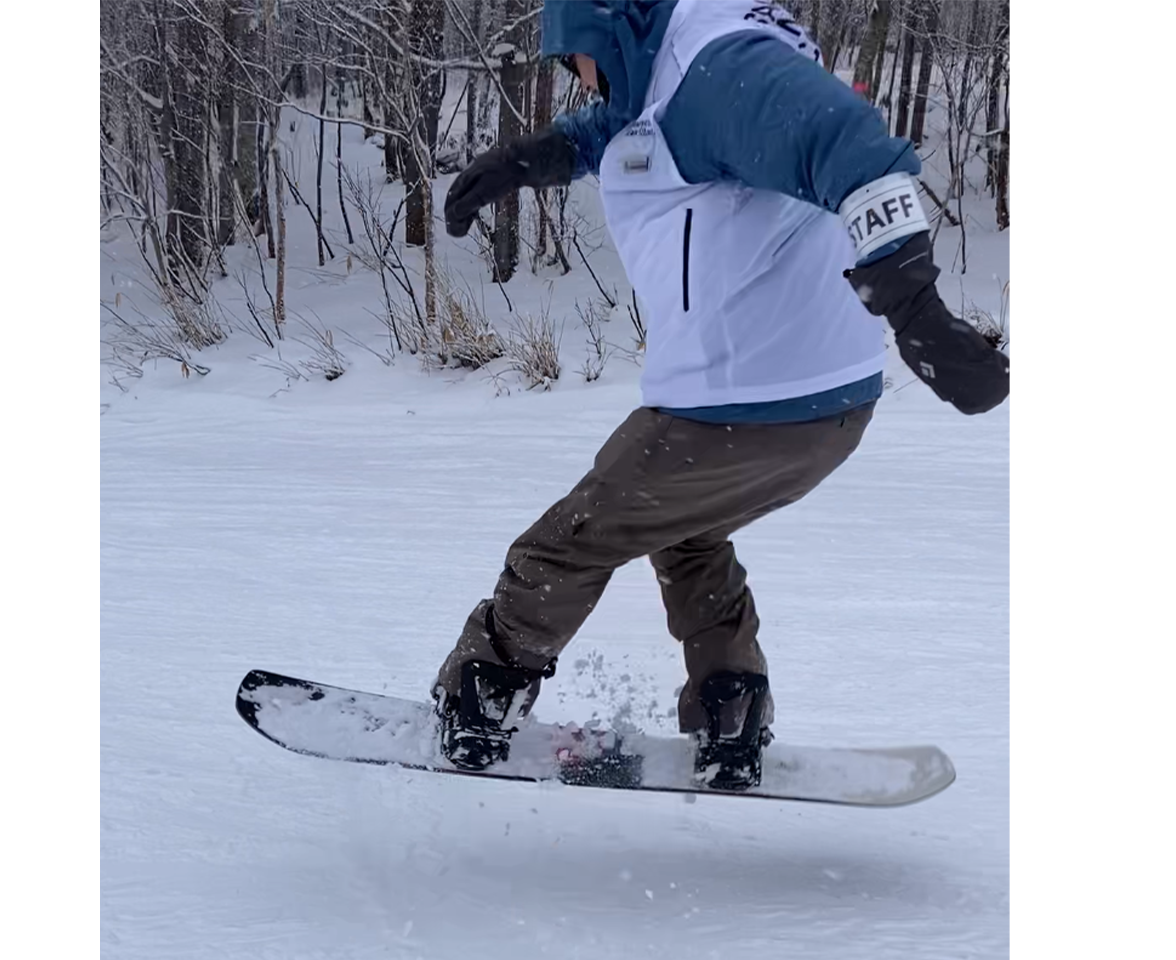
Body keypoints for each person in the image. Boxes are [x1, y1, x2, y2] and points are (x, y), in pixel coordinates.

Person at [432, 0, 1009, 790]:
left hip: (738, 405)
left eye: (578, 60)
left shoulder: (719, 64)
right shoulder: (675, 75)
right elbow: (625, 134)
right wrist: (527, 161)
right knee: (687, 532)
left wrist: (917, 309)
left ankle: (480, 696)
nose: (582, 80)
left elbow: (850, 145)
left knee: (569, 542)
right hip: (819, 409)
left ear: (613, 26)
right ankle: (729, 706)